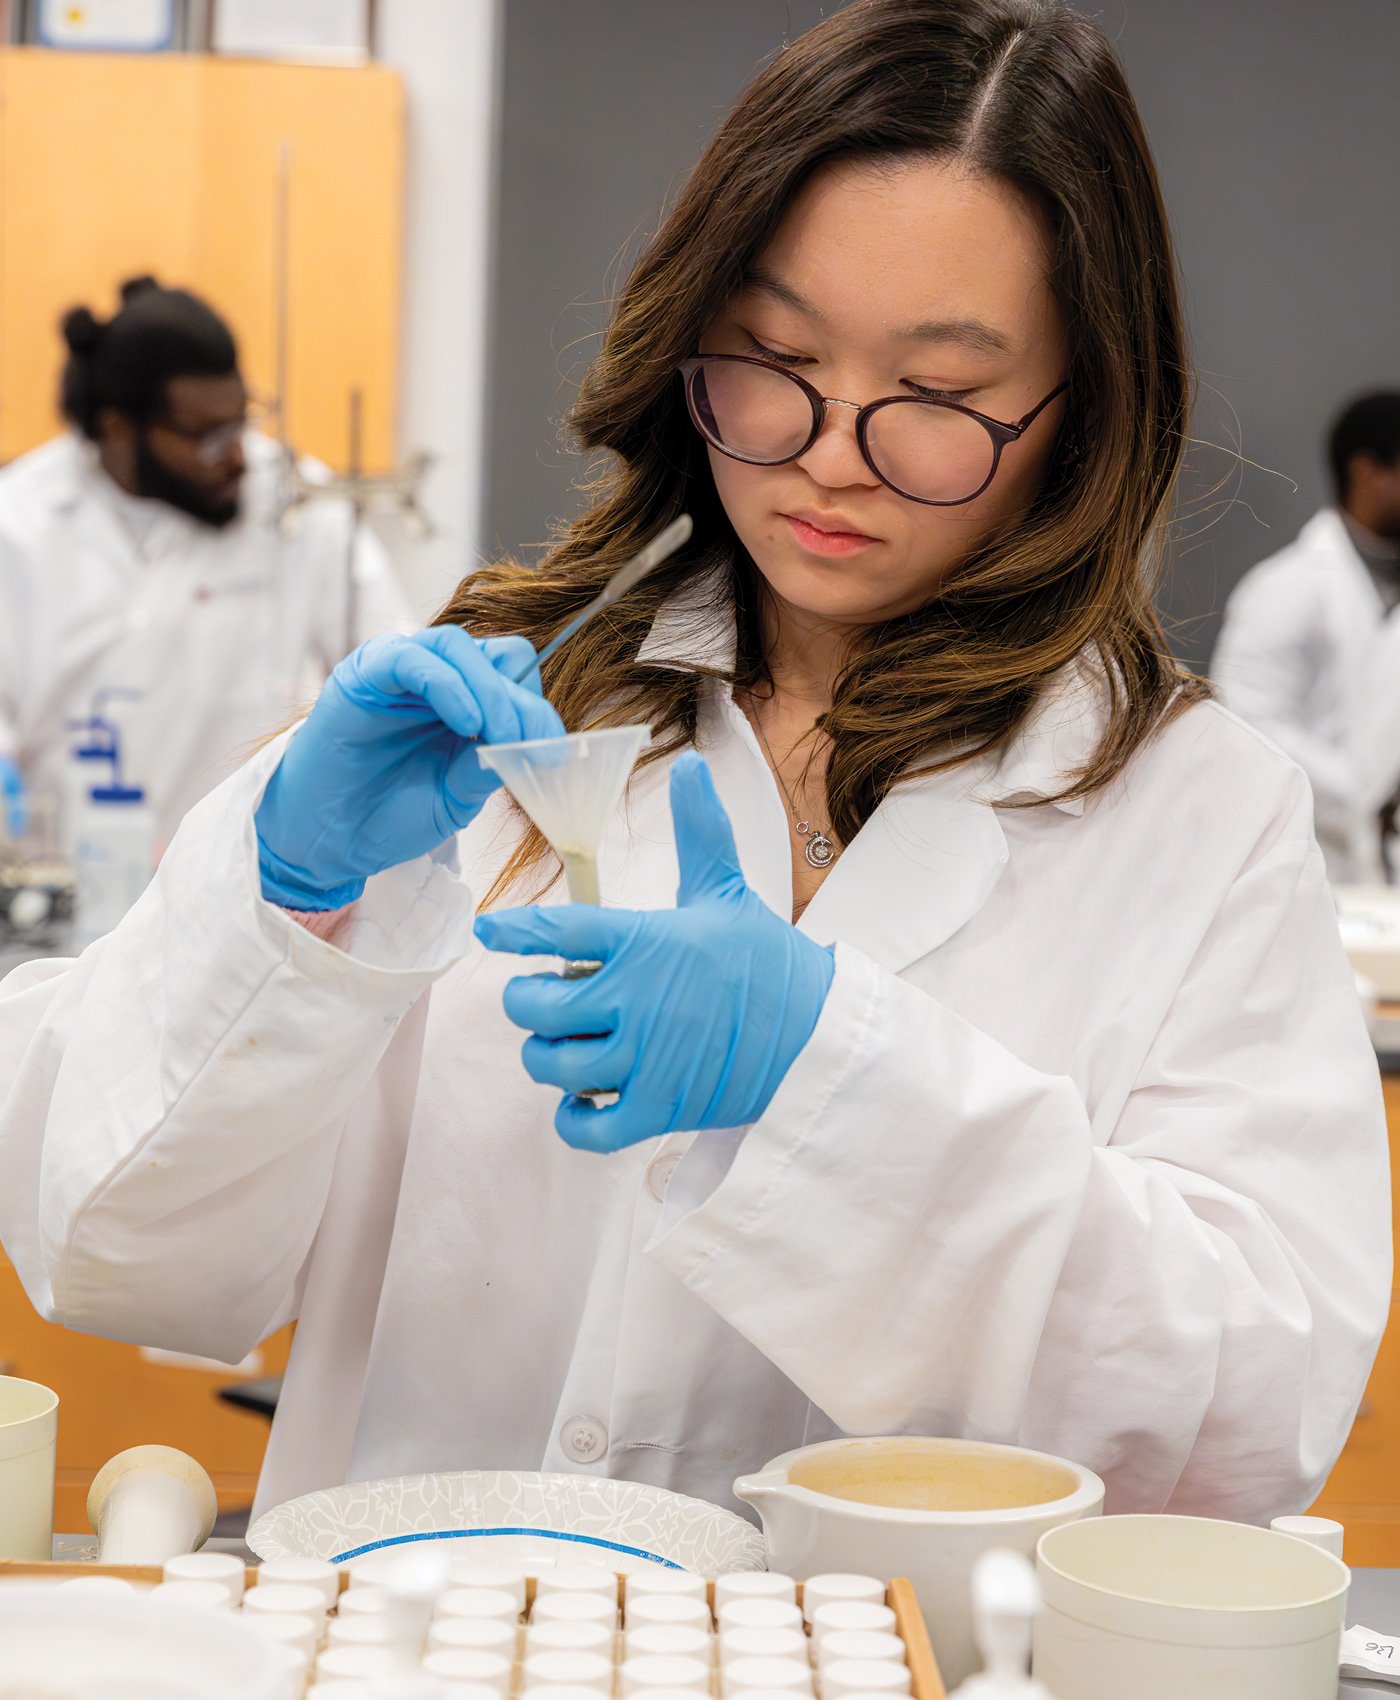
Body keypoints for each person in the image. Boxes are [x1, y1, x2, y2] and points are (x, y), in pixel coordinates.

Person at [0, 0, 1388, 1529]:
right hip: (419, 1649)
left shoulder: (1192, 810)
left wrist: (837, 1085)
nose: (832, 453)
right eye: (777, 357)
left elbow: (1246, 1420)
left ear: (1082, 411)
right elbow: (112, 1249)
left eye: (934, 397)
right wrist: (284, 908)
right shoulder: (505, 706)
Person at [0, 276, 412, 852]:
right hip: (68, 900)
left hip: (244, 887)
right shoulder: (18, 521)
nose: (237, 455)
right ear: (118, 429)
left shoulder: (293, 504)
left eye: (240, 422)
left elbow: (387, 662)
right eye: (206, 436)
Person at [1213, 392, 1400, 883]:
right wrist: (1367, 794)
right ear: (1366, 473)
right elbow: (1247, 728)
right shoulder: (1284, 589)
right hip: (1309, 867)